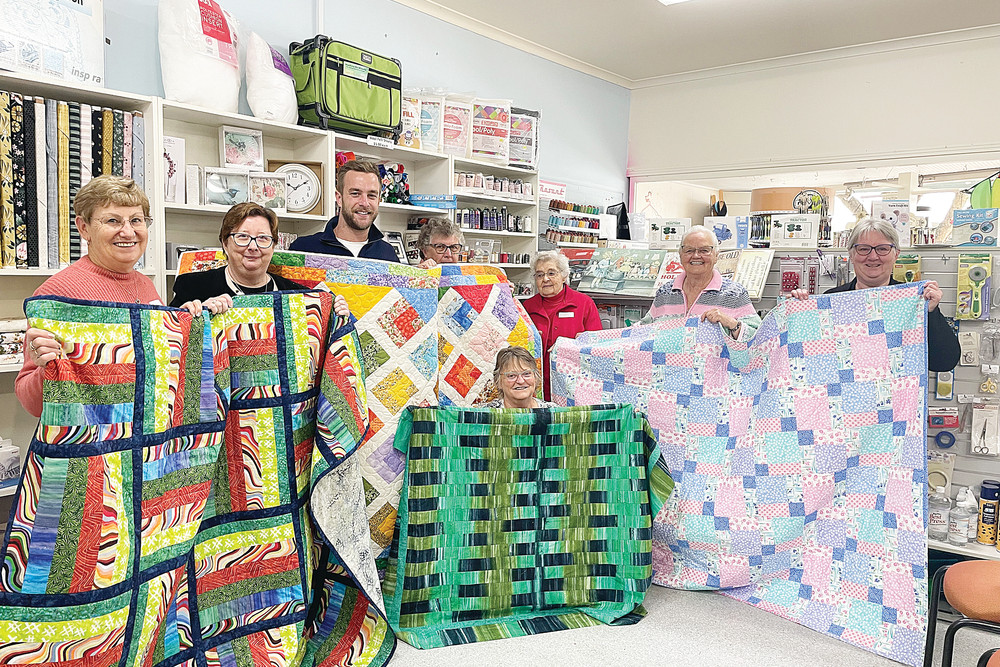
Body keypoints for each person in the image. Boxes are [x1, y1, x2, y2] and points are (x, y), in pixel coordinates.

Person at [16, 175, 208, 418]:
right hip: (94, 445)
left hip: (147, 443)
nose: (128, 232)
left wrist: (191, 322)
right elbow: (31, 405)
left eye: (136, 220)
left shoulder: (146, 286)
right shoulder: (58, 293)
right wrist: (47, 368)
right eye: (112, 221)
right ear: (84, 228)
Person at [790, 217, 960, 372]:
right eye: (863, 249)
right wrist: (797, 316)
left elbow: (944, 362)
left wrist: (930, 313)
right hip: (844, 402)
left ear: (896, 254)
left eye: (882, 249)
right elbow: (807, 361)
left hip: (896, 403)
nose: (873, 256)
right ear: (851, 254)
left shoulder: (911, 302)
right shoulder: (833, 300)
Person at [168, 202, 348, 317]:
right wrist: (192, 314)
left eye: (263, 238)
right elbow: (171, 339)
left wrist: (336, 312)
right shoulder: (192, 286)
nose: (253, 246)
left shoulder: (297, 294)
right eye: (243, 237)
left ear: (274, 245)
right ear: (224, 242)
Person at [643, 226, 761, 341]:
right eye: (689, 250)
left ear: (716, 256)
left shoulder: (735, 294)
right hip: (664, 361)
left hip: (716, 361)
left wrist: (732, 323)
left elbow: (760, 338)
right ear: (680, 255)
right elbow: (642, 331)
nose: (696, 256)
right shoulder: (665, 292)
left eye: (704, 250)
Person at [523, 250, 602, 400]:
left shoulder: (584, 304)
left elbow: (596, 346)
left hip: (574, 384)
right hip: (537, 384)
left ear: (564, 275)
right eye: (539, 275)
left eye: (551, 273)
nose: (545, 279)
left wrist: (571, 344)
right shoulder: (528, 306)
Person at [289, 160, 399, 261]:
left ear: (379, 200)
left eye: (371, 195)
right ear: (339, 198)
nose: (364, 203)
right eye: (355, 194)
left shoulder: (388, 255)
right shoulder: (303, 249)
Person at [482, 346, 557, 408]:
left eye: (526, 374)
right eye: (511, 375)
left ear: (536, 377)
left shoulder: (553, 412)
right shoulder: (484, 415)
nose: (520, 381)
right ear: (498, 382)